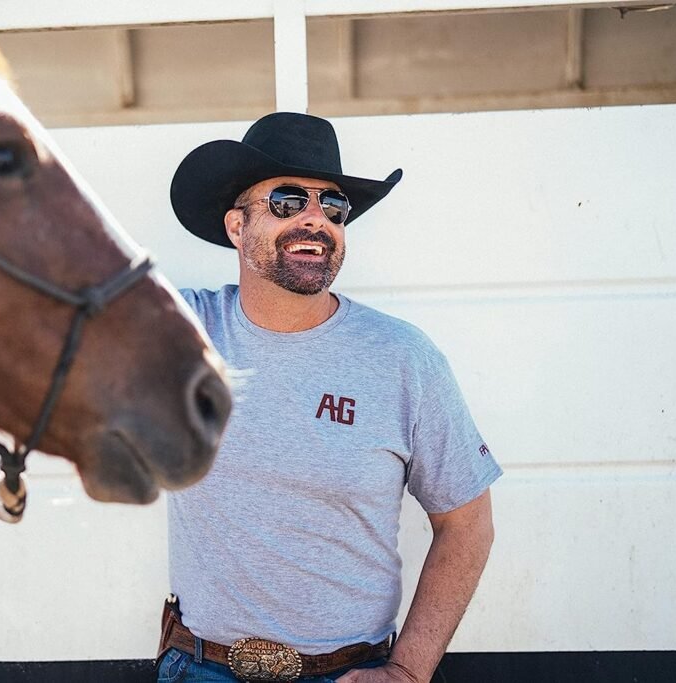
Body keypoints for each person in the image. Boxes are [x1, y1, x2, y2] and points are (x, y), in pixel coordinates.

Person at [156, 112, 502, 683]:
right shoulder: (178, 331)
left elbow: (468, 523)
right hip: (201, 667)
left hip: (349, 672)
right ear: (237, 227)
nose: (316, 220)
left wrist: (408, 672)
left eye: (334, 207)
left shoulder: (402, 358)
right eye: (288, 201)